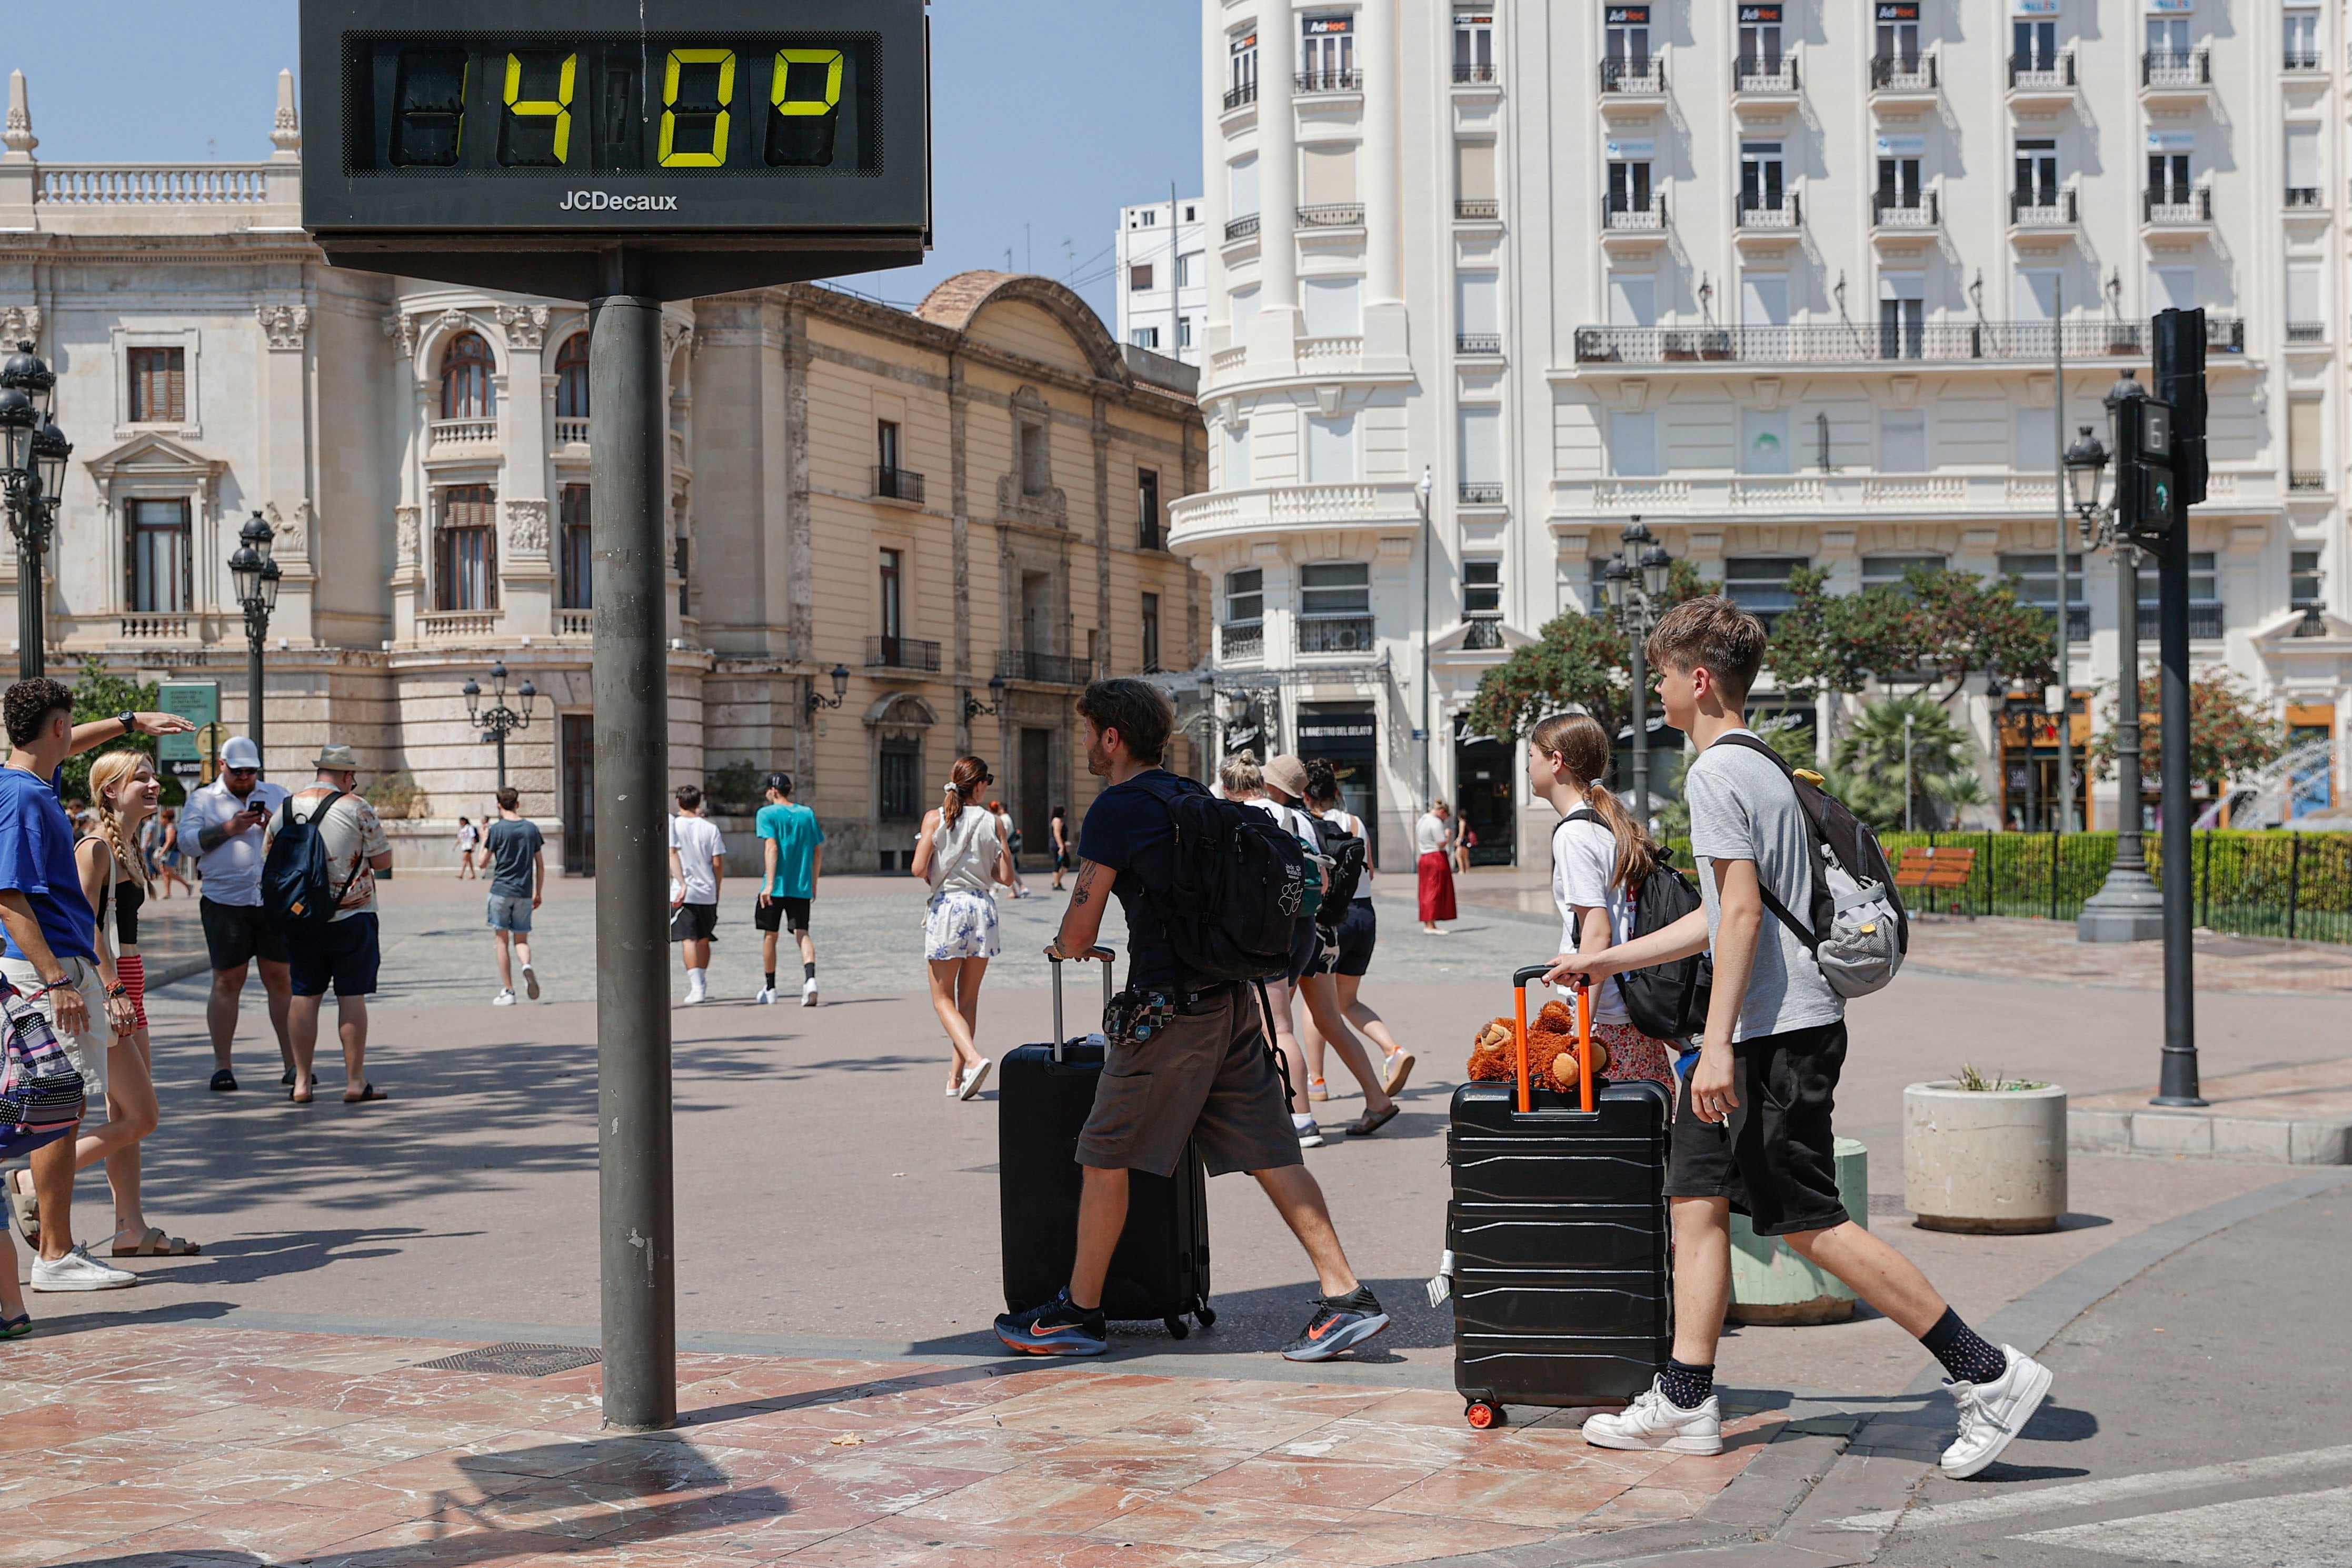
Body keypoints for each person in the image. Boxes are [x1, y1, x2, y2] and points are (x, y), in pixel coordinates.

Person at [1549, 597, 2052, 1480]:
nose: (1655, 688)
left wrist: (1712, 1046)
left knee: (1807, 1220)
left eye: (1662, 673)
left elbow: (1740, 913)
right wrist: (1604, 960)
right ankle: (1685, 1395)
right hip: (1771, 1025)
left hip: (1772, 1035)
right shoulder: (1757, 762)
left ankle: (1988, 1369)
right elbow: (1717, 911)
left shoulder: (1713, 773)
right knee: (1694, 1201)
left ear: (1697, 679)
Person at [995, 678, 1388, 1361]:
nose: (1087, 745)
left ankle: (1078, 1313)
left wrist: (1065, 942)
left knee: (1105, 1150)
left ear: (1112, 737)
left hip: (1164, 1007)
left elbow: (1082, 929)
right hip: (1233, 997)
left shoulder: (1118, 807)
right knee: (1270, 1148)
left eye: (1090, 732)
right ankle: (1346, 1293)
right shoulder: (1191, 794)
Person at [0, 680, 194, 1293]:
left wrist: (129, 720)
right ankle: (55, 1255)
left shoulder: (30, 781)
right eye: (68, 726)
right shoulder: (26, 799)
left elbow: (62, 745)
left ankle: (61, 1248)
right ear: (56, 727)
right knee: (58, 1114)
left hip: (60, 968)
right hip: (47, 970)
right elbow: (8, 897)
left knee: (76, 1109)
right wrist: (58, 976)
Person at [1528, 713, 1678, 1090]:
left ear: (1556, 760)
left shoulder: (1573, 834)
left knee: (1602, 1134)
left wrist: (1581, 1033)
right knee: (1646, 1129)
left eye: (1531, 756)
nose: (1528, 767)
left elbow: (1596, 931)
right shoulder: (1605, 824)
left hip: (1602, 1016)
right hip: (1629, 1010)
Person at [1257, 754, 1398, 1140]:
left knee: (1276, 1026)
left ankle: (1301, 1118)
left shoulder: (1266, 812)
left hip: (1286, 933)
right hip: (1318, 931)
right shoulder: (1309, 820)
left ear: (1272, 786)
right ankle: (1377, 1098)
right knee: (1330, 1020)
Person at [180, 735, 295, 1092]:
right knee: (228, 980)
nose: (246, 777)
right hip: (225, 901)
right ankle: (223, 1066)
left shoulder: (278, 794)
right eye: (239, 771)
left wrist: (277, 828)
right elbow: (186, 843)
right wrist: (229, 829)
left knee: (281, 979)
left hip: (272, 901)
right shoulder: (203, 798)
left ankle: (294, 1064)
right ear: (222, 766)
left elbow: (302, 841)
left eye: (251, 771)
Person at [280, 745, 394, 1105]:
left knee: (304, 994)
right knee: (351, 995)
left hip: (301, 919)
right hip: (352, 916)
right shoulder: (356, 806)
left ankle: (301, 1081)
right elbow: (383, 861)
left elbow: (272, 859)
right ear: (347, 776)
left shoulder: (285, 808)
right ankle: (355, 1081)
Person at [1298, 760, 1414, 1100]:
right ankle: (1392, 1049)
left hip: (1331, 917)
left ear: (1306, 796)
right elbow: (1371, 871)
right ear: (1336, 791)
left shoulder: (1308, 822)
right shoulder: (1354, 821)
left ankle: (1317, 1081)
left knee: (1315, 999)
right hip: (1365, 915)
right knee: (1348, 1001)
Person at [911, 756, 1012, 1100]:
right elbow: (1007, 878)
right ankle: (955, 1079)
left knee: (942, 999)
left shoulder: (934, 818)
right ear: (980, 786)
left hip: (948, 910)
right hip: (982, 910)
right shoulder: (992, 820)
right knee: (968, 999)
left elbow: (917, 867)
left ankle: (972, 1058)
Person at [753, 772, 823, 1006]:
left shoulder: (766, 814)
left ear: (773, 791)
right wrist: (813, 882)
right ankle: (810, 980)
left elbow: (771, 848)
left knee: (770, 935)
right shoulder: (807, 814)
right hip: (801, 885)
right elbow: (817, 850)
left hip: (776, 887)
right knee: (802, 932)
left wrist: (770, 884)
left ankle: (771, 988)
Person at [483, 786, 544, 1006]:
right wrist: (538, 892)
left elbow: (482, 862)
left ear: (499, 805)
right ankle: (526, 966)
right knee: (521, 939)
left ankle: (509, 991)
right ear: (518, 804)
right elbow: (540, 864)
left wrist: (484, 839)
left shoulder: (497, 830)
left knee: (502, 940)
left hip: (501, 891)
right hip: (524, 892)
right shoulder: (531, 829)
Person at [667, 784, 725, 1006]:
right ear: (699, 803)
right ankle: (701, 980)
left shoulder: (675, 825)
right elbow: (718, 862)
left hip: (684, 893)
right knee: (704, 937)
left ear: (679, 802)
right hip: (708, 891)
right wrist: (717, 887)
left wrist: (681, 882)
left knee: (688, 938)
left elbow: (672, 853)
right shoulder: (710, 828)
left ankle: (697, 986)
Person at [1416, 798, 1457, 934]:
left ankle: (1429, 921)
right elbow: (1441, 843)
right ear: (1442, 812)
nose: (1445, 819)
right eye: (1446, 816)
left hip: (1424, 857)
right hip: (1435, 857)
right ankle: (1431, 924)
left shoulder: (1422, 820)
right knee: (1435, 890)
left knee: (1425, 890)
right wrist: (1448, 836)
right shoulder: (1436, 823)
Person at [993, 800, 1031, 898]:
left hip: (1006, 847)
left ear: (1002, 809)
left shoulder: (1003, 819)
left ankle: (1022, 888)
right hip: (1008, 847)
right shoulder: (1008, 818)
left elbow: (1004, 833)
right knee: (1009, 868)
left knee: (1009, 869)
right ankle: (1015, 890)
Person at [152, 807, 192, 900]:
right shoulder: (168, 828)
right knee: (165, 873)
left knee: (169, 872)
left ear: (167, 819)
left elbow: (169, 841)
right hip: (169, 853)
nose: (161, 820)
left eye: (162, 818)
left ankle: (187, 885)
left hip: (171, 853)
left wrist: (162, 852)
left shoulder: (170, 828)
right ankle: (167, 892)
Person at [1048, 805, 1070, 892]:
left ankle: (1057, 882)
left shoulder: (1059, 820)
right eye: (1064, 811)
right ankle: (1056, 884)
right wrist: (1061, 846)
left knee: (1066, 864)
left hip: (1060, 845)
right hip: (1057, 845)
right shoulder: (1057, 820)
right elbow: (1057, 834)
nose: (1065, 812)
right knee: (1058, 864)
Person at [456, 815, 480, 880]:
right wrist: (455, 846)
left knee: (464, 859)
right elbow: (460, 838)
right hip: (464, 846)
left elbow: (473, 837)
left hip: (469, 846)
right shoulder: (461, 829)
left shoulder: (469, 828)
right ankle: (473, 874)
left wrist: (474, 846)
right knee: (469, 861)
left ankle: (461, 874)